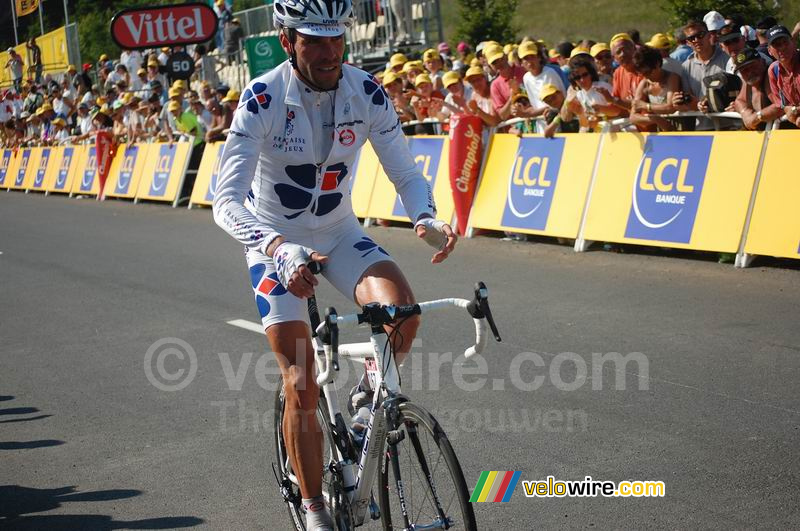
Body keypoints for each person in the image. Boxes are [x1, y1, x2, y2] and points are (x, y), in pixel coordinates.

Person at [212, 1, 456, 529]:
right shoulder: (261, 99)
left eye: (336, 39)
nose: (329, 53)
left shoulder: (364, 91)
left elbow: (406, 170)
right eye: (314, 41)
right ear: (286, 40)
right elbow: (225, 201)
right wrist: (279, 248)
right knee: (300, 378)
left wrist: (426, 217)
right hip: (274, 240)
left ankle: (371, 393)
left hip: (341, 233)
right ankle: (315, 507)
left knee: (404, 315)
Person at [677, 20, 729, 127]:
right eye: (691, 38)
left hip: (729, 124)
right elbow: (689, 99)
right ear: (687, 43)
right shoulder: (686, 67)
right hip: (702, 127)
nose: (696, 40)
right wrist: (697, 104)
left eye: (700, 35)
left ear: (709, 35)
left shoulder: (727, 59)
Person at [630, 46, 681, 131]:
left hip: (679, 129)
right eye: (642, 74)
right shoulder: (644, 83)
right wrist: (654, 119)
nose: (646, 76)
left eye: (647, 72)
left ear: (657, 64)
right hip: (660, 132)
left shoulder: (672, 78)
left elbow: (670, 107)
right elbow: (633, 117)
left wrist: (645, 106)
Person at [732, 48, 784, 130]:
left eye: (753, 66)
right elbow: (739, 101)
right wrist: (744, 112)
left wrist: (757, 116)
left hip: (786, 135)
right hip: (762, 139)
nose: (749, 72)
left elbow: (782, 105)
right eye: (744, 70)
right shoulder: (748, 82)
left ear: (763, 62)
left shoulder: (770, 76)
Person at [766, 25, 800, 127]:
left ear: (793, 43)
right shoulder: (773, 70)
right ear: (769, 51)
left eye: (785, 42)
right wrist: (789, 110)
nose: (782, 47)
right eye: (776, 45)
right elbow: (782, 104)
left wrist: (794, 110)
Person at [485, 45, 526, 120]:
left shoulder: (523, 70)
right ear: (490, 66)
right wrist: (512, 97)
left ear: (506, 56)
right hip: (519, 126)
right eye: (494, 62)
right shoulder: (495, 85)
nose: (499, 63)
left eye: (500, 59)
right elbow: (503, 116)